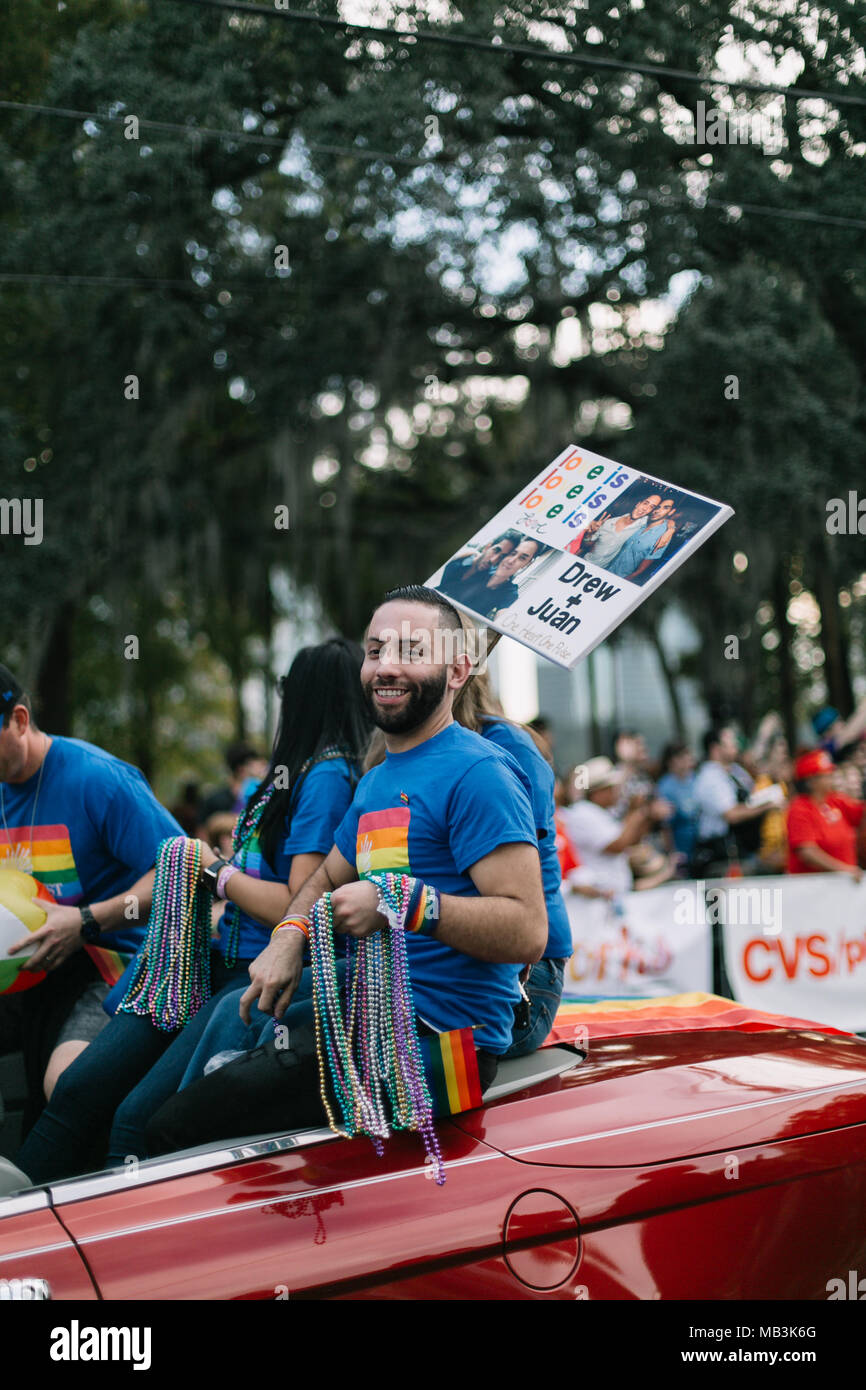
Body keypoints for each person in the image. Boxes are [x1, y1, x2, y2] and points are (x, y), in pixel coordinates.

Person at [144, 586, 546, 1157]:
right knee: (209, 1080)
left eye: (409, 650)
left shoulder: (479, 773)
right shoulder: (381, 776)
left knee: (174, 1131)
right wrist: (290, 935)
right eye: (375, 649)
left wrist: (403, 903)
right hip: (366, 1015)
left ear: (458, 670)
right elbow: (326, 877)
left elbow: (528, 930)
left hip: (440, 1046)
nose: (385, 666)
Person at [15, 639, 370, 1184]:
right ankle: (24, 1215)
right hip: (201, 968)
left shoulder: (326, 778)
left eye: (285, 691)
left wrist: (214, 872)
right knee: (85, 1090)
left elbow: (298, 906)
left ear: (303, 696)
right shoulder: (300, 774)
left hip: (246, 983)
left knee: (135, 1119)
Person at [0, 664, 181, 1122]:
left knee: (68, 1081)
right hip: (23, 973)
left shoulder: (97, 777)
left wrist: (86, 920)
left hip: (115, 963)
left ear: (19, 720)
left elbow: (182, 871)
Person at [559, 757, 669, 897]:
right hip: (597, 898)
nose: (617, 792)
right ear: (597, 792)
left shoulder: (603, 813)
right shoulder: (583, 813)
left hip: (612, 894)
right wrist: (635, 812)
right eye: (611, 788)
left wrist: (646, 815)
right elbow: (617, 845)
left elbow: (631, 841)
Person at [690, 726, 772, 877]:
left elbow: (750, 798)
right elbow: (731, 814)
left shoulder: (736, 770)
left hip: (743, 849)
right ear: (715, 748)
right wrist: (767, 805)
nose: (736, 745)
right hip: (722, 854)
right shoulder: (710, 776)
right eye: (730, 742)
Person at [785, 749, 864, 878]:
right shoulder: (799, 809)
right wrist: (844, 870)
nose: (831, 777)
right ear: (811, 781)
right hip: (813, 888)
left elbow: (861, 813)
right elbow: (807, 852)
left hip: (843, 884)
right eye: (826, 774)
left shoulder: (834, 801)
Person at [441, 538, 547, 620]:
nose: (511, 561)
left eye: (522, 558)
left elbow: (503, 616)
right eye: (513, 553)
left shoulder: (509, 592)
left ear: (527, 564)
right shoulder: (483, 569)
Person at [575, 492, 661, 569]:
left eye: (651, 507)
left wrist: (671, 529)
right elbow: (586, 545)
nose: (645, 509)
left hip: (603, 570)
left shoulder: (642, 524)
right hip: (584, 562)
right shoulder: (608, 522)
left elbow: (665, 520)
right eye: (645, 503)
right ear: (638, 504)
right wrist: (589, 535)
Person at [196, 742, 268, 831]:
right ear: (241, 769)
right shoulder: (214, 801)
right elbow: (202, 835)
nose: (264, 765)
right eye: (258, 762)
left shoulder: (262, 796)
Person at [606, 498, 677, 582]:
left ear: (671, 512)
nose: (657, 511)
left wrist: (622, 582)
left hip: (621, 577)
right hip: (606, 567)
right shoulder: (641, 520)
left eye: (665, 508)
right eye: (657, 507)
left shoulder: (663, 536)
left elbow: (639, 571)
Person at [656, 741, 699, 863]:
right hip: (681, 848)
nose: (689, 758)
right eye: (684, 755)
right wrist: (672, 854)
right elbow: (665, 826)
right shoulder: (666, 787)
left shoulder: (694, 778)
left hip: (700, 845)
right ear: (673, 760)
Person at [438, 533, 518, 592]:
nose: (493, 560)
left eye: (501, 557)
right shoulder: (458, 559)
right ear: (487, 547)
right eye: (496, 550)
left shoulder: (486, 581)